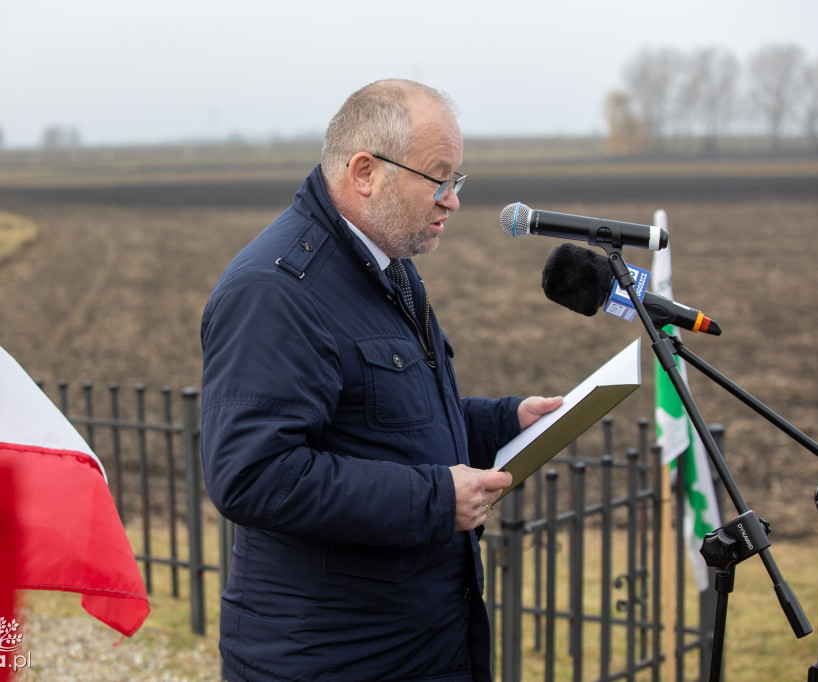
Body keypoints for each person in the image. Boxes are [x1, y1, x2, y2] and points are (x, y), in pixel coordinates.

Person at [200, 79, 563, 682]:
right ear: (365, 171)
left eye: (457, 180)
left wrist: (503, 422)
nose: (451, 200)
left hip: (417, 641)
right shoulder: (276, 291)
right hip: (332, 657)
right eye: (438, 177)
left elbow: (385, 421)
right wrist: (436, 499)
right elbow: (253, 475)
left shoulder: (386, 266)